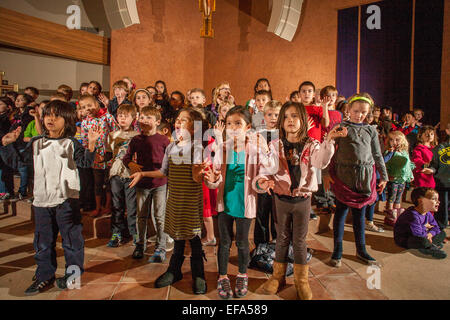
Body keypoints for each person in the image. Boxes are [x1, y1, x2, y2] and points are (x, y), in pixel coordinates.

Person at [0, 100, 100, 294]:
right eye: (47, 115)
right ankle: (44, 275)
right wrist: (6, 144)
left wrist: (93, 144)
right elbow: (19, 162)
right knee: (43, 242)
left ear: (68, 119)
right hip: (42, 201)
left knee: (72, 242)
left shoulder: (71, 143)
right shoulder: (37, 142)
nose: (50, 119)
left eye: (56, 115)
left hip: (66, 200)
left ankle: (73, 276)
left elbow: (85, 163)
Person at [255, 102, 342, 300]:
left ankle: (301, 280)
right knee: (282, 238)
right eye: (285, 117)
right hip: (281, 198)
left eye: (295, 116)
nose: (290, 120)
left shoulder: (312, 144)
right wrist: (263, 180)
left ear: (304, 120)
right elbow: (266, 168)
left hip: (302, 199)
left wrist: (328, 140)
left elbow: (321, 162)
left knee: (299, 240)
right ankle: (278, 277)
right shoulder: (275, 145)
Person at [129, 108, 210, 294]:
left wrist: (199, 171)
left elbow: (197, 178)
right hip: (174, 202)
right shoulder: (172, 147)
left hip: (190, 203)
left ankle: (199, 274)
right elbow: (163, 172)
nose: (178, 122)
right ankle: (174, 270)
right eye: (178, 119)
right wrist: (142, 173)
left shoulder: (197, 148)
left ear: (194, 129)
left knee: (195, 240)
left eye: (185, 120)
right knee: (178, 239)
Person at [204, 106, 269, 299]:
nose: (232, 128)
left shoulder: (255, 149)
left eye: (238, 124)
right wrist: (213, 178)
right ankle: (222, 276)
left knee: (242, 243)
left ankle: (242, 274)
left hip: (245, 204)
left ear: (247, 126)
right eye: (229, 123)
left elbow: (263, 175)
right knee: (224, 243)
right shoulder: (222, 148)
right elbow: (213, 179)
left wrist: (261, 182)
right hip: (225, 204)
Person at [328, 93, 388, 267]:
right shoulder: (340, 127)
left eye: (363, 112)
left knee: (359, 216)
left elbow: (377, 154)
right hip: (344, 177)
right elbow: (330, 149)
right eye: (356, 111)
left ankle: (361, 250)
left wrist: (383, 176)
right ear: (348, 110)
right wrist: (326, 173)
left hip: (364, 178)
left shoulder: (371, 130)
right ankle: (337, 250)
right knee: (340, 213)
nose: (359, 115)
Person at [123, 106, 170, 262]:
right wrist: (131, 165)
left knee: (159, 216)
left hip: (159, 183)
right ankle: (140, 244)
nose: (144, 120)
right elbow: (126, 158)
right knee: (141, 216)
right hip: (142, 184)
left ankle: (161, 246)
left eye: (148, 118)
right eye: (142, 117)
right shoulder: (136, 140)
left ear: (157, 122)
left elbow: (169, 162)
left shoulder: (163, 140)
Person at [105, 104, 140, 247]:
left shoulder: (138, 136)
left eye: (126, 116)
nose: (122, 118)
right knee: (116, 205)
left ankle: (135, 233)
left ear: (133, 118)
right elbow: (108, 154)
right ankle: (116, 233)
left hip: (130, 174)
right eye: (120, 115)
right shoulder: (112, 135)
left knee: (132, 207)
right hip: (115, 174)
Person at [80, 94, 119, 217]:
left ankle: (108, 206)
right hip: (95, 156)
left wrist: (111, 150)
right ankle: (97, 207)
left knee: (108, 181)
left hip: (108, 154)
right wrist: (92, 153)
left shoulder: (107, 117)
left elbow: (117, 132)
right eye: (84, 107)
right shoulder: (85, 122)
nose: (88, 109)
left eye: (90, 105)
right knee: (97, 182)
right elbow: (85, 140)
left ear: (96, 104)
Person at [253, 100, 281, 247]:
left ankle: (277, 242)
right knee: (262, 213)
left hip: (278, 180)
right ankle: (261, 245)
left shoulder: (283, 134)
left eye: (276, 114)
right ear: (264, 116)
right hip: (262, 179)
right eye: (270, 114)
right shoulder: (258, 134)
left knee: (277, 214)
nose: (273, 117)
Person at [394, 187, 446, 259]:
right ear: (421, 201)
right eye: (434, 199)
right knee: (422, 241)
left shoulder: (427, 213)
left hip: (424, 235)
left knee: (442, 233)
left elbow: (436, 228)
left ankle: (429, 246)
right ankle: (430, 249)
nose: (438, 202)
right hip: (406, 239)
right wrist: (426, 228)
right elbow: (418, 234)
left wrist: (430, 233)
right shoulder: (412, 215)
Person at [382, 131, 415, 226]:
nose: (395, 142)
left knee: (399, 197)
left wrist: (410, 175)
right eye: (392, 140)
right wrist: (387, 175)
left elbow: (408, 165)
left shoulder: (404, 152)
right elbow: (385, 164)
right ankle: (390, 215)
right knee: (392, 196)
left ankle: (398, 215)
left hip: (402, 179)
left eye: (397, 140)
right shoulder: (390, 152)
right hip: (393, 178)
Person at [430, 124, 450, 229]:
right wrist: (431, 170)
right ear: (447, 131)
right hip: (442, 182)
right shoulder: (440, 148)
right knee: (442, 208)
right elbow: (434, 165)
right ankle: (438, 231)